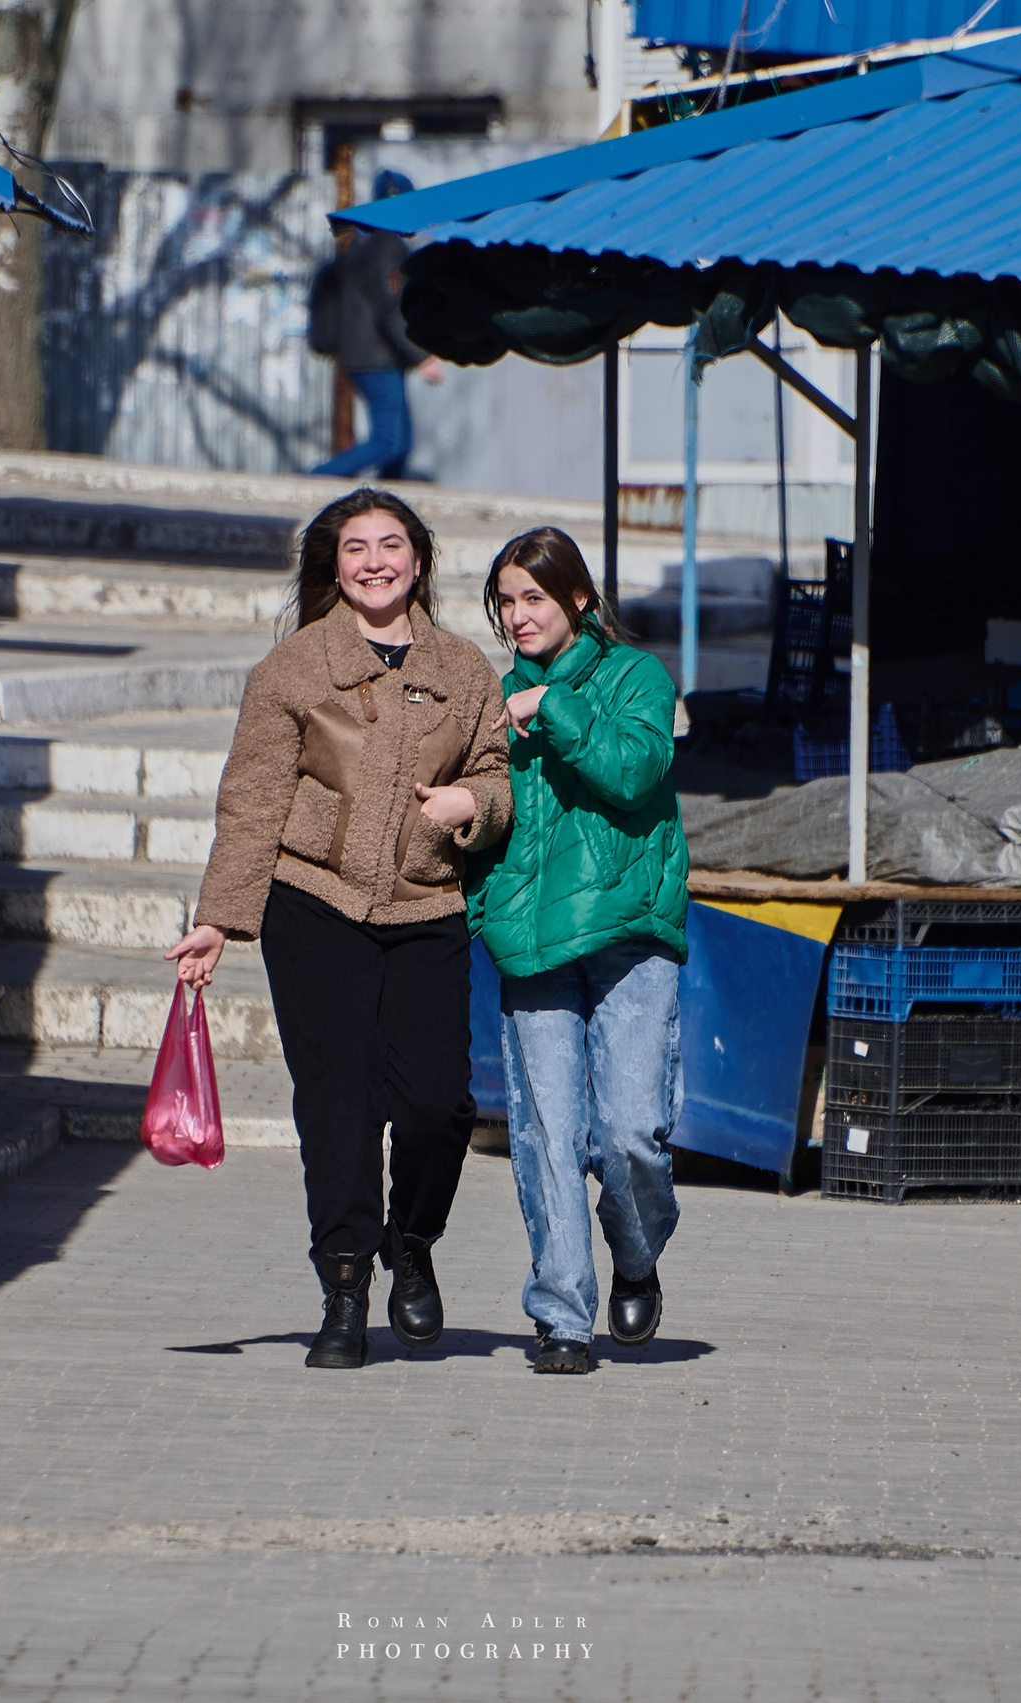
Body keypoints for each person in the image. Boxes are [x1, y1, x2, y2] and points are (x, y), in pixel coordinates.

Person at [167, 489, 512, 1370]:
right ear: (334, 564)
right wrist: (219, 919)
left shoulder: (466, 669)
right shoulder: (290, 671)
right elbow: (253, 802)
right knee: (339, 1104)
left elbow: (496, 774)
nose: (374, 562)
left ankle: (413, 1241)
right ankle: (347, 1284)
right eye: (356, 548)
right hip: (313, 903)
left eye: (390, 545)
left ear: (419, 561)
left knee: (438, 1104)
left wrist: (475, 805)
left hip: (427, 906)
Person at [469, 527, 690, 1376]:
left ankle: (635, 1251)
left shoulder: (637, 676)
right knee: (547, 1135)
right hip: (532, 944)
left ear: (580, 599)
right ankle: (562, 1313)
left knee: (630, 1132)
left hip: (630, 931)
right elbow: (488, 810)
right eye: (506, 602)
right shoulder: (493, 698)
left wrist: (551, 708)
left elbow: (635, 771)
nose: (518, 616)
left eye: (534, 597)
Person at [310, 170, 444, 481]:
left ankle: (391, 496)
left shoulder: (363, 241)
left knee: (401, 444)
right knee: (387, 443)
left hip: (371, 357)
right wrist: (422, 357)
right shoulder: (386, 246)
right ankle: (315, 478)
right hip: (375, 358)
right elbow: (390, 309)